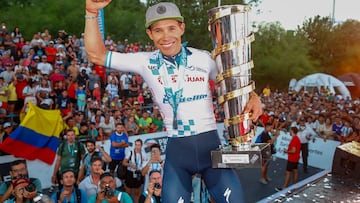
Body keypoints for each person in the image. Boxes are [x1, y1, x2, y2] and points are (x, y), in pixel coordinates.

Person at [85, 1, 262, 202]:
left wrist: (254, 96)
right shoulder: (145, 62)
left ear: (181, 28)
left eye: (171, 28)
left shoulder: (203, 58)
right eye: (158, 30)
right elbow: (96, 55)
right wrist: (91, 11)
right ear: (150, 34)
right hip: (178, 158)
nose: (166, 36)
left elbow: (233, 85)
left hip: (212, 152)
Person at [276, 127, 301, 191]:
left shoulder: (294, 139)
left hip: (292, 159)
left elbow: (293, 151)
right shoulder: (297, 138)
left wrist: (286, 151)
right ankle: (295, 185)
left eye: (290, 130)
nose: (289, 132)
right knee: (295, 171)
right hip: (296, 158)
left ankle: (285, 187)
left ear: (292, 131)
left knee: (288, 173)